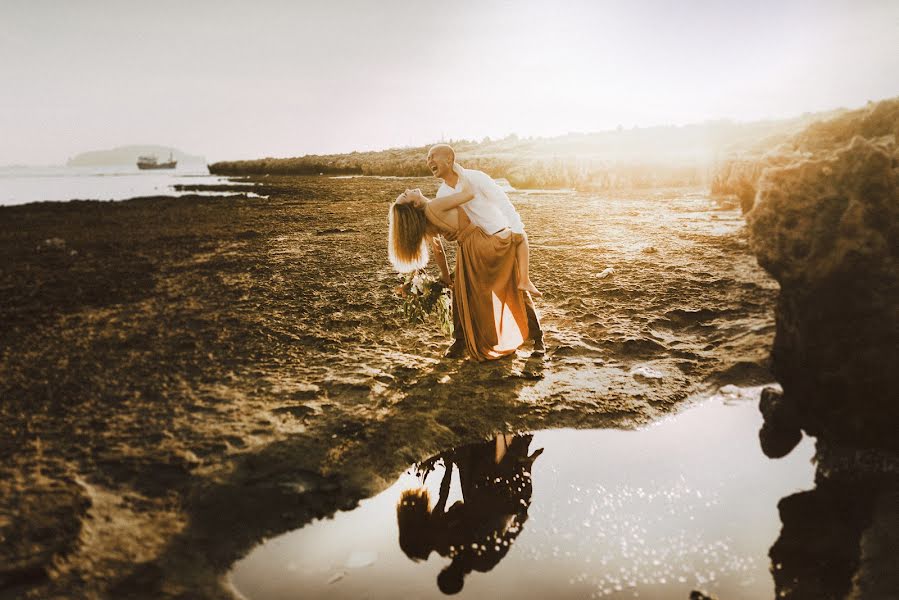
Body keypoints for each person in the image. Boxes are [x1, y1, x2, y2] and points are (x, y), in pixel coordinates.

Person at [389, 184, 543, 361]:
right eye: (405, 195)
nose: (407, 190)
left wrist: (446, 276)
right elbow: (440, 249)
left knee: (466, 293)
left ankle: (461, 341)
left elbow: (440, 249)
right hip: (477, 244)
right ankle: (537, 339)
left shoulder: (432, 211)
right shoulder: (433, 209)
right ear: (414, 205)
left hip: (477, 244)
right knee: (476, 291)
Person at [396, 435, 544, 594]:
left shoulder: (465, 554)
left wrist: (525, 487)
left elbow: (517, 525)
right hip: (493, 495)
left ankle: (510, 443)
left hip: (495, 496)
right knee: (496, 452)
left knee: (493, 452)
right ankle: (509, 442)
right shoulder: (472, 556)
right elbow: (515, 526)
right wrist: (449, 464)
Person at [422, 144, 541, 298]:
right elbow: (454, 225)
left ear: (449, 159)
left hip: (500, 239)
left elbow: (502, 201)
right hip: (476, 249)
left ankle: (525, 282)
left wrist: (517, 229)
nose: (428, 161)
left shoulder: (476, 177)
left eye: (432, 156)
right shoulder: (442, 194)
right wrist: (450, 235)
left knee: (516, 297)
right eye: (427, 158)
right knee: (483, 298)